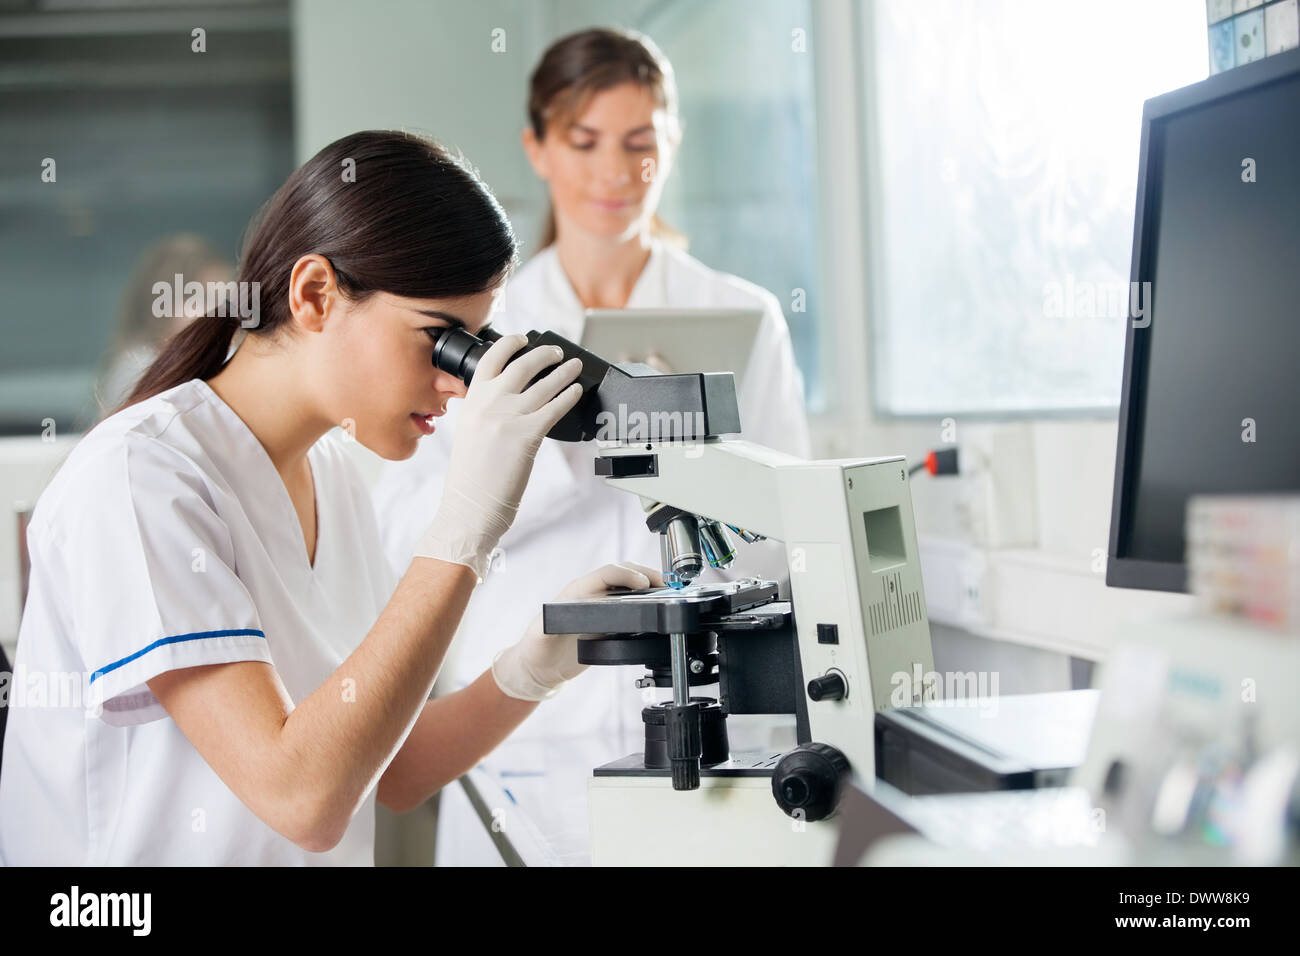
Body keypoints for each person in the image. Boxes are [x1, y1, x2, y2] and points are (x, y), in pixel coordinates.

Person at [0, 129, 658, 866]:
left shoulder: (334, 473)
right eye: (441, 340)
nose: (458, 379)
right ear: (315, 296)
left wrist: (535, 662)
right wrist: (465, 526)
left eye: (473, 344)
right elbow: (302, 801)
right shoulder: (142, 479)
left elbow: (389, 770)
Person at [369, 28, 812, 865]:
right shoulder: (475, 326)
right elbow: (399, 535)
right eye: (585, 142)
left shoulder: (742, 315)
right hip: (519, 733)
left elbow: (788, 534)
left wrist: (687, 448)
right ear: (538, 147)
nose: (615, 172)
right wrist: (561, 457)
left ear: (670, 146)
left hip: (712, 732)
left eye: (640, 144)